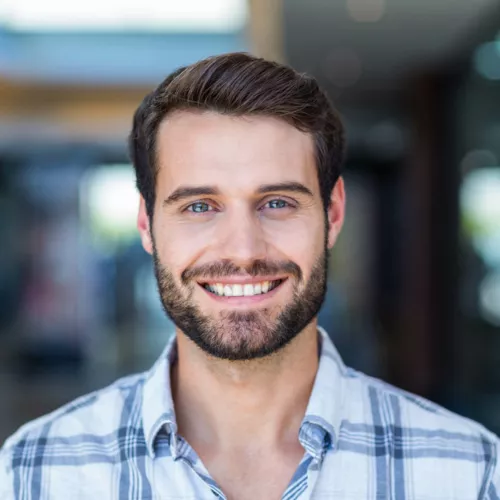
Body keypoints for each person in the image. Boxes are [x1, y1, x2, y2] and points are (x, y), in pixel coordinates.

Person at [1, 52, 499, 500]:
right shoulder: (36, 472)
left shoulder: (470, 472)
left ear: (333, 214)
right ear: (147, 225)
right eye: (200, 206)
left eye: (278, 203)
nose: (242, 251)